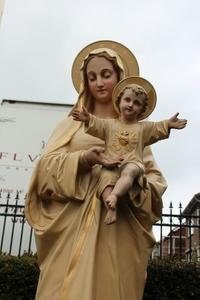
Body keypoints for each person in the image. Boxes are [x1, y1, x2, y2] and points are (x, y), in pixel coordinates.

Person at [25, 40, 167, 300]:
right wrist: (82, 160)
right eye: (92, 77)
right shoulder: (72, 125)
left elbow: (155, 185)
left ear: (120, 78)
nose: (99, 83)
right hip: (70, 232)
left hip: (117, 233)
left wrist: (133, 182)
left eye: (106, 74)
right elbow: (43, 173)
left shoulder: (135, 132)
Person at [72, 76, 187, 225]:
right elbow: (97, 124)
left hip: (134, 163)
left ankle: (115, 196)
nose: (131, 105)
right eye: (127, 100)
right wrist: (87, 118)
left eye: (136, 103)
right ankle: (111, 209)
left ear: (141, 109)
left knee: (129, 172)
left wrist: (168, 124)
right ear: (119, 101)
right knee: (104, 179)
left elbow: (158, 127)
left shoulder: (143, 128)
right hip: (111, 164)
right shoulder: (109, 125)